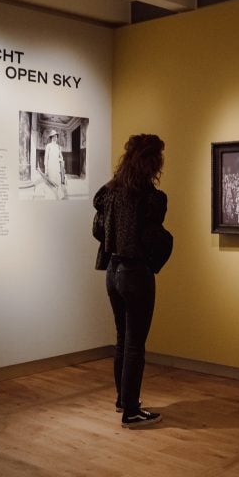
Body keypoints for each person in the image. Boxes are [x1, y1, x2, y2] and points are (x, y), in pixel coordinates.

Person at [92, 134, 173, 429]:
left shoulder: (111, 192)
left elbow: (99, 231)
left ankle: (122, 401)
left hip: (112, 271)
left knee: (123, 339)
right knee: (135, 343)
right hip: (136, 273)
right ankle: (132, 412)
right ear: (151, 161)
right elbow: (153, 237)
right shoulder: (149, 198)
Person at [44, 130, 66, 199]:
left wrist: (59, 160)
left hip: (56, 166)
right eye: (53, 136)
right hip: (50, 166)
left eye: (56, 136)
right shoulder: (48, 146)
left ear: (57, 137)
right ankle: (50, 196)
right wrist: (46, 169)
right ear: (51, 137)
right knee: (51, 180)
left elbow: (61, 157)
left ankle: (58, 194)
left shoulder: (58, 147)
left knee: (57, 180)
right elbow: (46, 157)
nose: (55, 138)